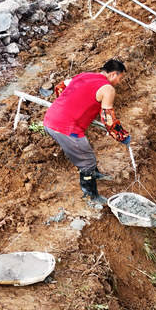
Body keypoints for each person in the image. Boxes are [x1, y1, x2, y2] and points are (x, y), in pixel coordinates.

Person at [42, 60, 130, 206]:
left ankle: (94, 174)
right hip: (65, 128)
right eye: (120, 78)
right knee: (87, 161)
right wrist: (122, 136)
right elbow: (108, 119)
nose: (119, 82)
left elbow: (61, 86)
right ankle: (91, 196)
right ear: (113, 73)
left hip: (50, 119)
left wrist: (70, 106)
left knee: (86, 150)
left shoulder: (84, 75)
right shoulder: (108, 89)